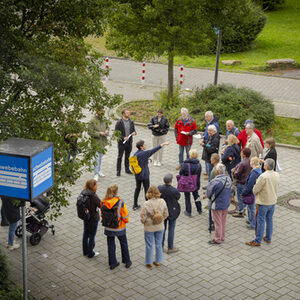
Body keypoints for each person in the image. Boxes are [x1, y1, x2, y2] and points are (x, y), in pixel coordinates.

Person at [246, 158, 280, 246]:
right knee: (269, 220)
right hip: (272, 201)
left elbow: (255, 189)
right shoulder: (277, 174)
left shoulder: (263, 176)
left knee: (260, 221)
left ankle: (257, 240)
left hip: (263, 201)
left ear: (266, 166)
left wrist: (254, 189)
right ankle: (268, 237)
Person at [133, 140, 170, 210]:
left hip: (137, 174)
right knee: (147, 190)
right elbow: (154, 150)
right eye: (144, 145)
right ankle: (147, 206)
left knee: (137, 188)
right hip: (145, 175)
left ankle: (135, 204)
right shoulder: (145, 153)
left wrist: (147, 160)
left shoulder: (136, 154)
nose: (145, 146)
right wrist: (163, 143)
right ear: (141, 147)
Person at [102, 184, 132, 269]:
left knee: (111, 245)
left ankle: (112, 263)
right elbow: (125, 216)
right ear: (116, 191)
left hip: (108, 227)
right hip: (119, 227)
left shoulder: (104, 202)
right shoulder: (120, 203)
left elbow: (102, 215)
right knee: (123, 243)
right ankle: (127, 261)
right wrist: (125, 222)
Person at [140, 186, 168, 269]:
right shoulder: (162, 201)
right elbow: (166, 214)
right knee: (159, 244)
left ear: (148, 193)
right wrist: (160, 219)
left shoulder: (146, 204)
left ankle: (149, 262)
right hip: (160, 227)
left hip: (149, 228)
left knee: (149, 245)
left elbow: (143, 218)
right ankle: (158, 261)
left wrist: (143, 222)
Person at [206, 164, 232, 245]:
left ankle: (217, 239)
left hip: (217, 204)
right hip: (226, 203)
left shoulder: (215, 182)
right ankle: (222, 236)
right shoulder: (228, 179)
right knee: (223, 221)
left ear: (217, 172)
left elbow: (208, 193)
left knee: (217, 222)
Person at [158, 174, 181, 254]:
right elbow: (178, 197)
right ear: (171, 181)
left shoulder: (159, 188)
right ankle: (170, 247)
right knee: (171, 229)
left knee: (162, 229)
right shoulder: (174, 190)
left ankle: (160, 246)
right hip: (172, 211)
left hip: (162, 211)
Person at [81, 179, 101, 258]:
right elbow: (100, 205)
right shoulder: (94, 196)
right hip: (93, 218)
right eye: (96, 185)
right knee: (92, 235)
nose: (97, 186)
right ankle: (90, 253)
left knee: (85, 233)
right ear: (93, 186)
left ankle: (85, 251)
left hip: (86, 217)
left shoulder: (83, 193)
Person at [179, 149, 202, 216]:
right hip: (195, 183)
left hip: (187, 183)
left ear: (191, 156)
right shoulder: (199, 165)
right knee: (196, 195)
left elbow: (181, 172)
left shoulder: (186, 164)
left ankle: (188, 211)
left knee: (187, 196)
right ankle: (199, 209)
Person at [88, 109, 109, 181]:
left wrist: (107, 130)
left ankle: (99, 170)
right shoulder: (92, 120)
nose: (102, 112)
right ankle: (96, 173)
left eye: (103, 111)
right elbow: (90, 131)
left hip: (103, 141)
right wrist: (99, 133)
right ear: (97, 111)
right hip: (96, 142)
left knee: (100, 157)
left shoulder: (104, 119)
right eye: (100, 111)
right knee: (96, 158)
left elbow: (107, 126)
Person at [241, 157, 262, 229]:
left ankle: (252, 224)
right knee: (251, 208)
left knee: (251, 208)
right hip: (255, 192)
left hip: (251, 193)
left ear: (252, 163)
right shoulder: (258, 171)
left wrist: (243, 193)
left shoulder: (254, 173)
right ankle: (251, 220)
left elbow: (249, 185)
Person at [115, 108, 137, 176]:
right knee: (120, 157)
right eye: (127, 113)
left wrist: (134, 133)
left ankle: (127, 169)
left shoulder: (131, 121)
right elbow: (116, 133)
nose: (129, 114)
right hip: (122, 143)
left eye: (129, 113)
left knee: (127, 156)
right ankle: (118, 171)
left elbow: (134, 130)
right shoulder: (119, 122)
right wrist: (123, 137)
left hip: (129, 142)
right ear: (123, 114)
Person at [231, 147, 252, 217]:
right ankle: (244, 209)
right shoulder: (249, 161)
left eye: (242, 152)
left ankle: (240, 211)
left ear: (244, 154)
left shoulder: (242, 163)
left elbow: (237, 174)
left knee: (240, 197)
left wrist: (233, 172)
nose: (241, 153)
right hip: (246, 181)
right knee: (244, 196)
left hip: (240, 182)